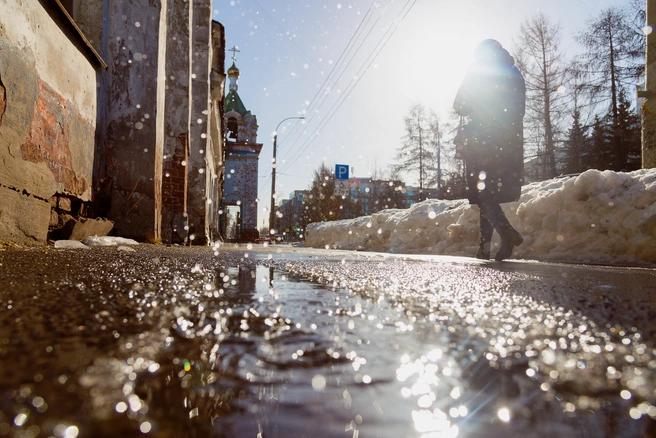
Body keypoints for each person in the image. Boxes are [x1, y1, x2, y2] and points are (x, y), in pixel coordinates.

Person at [453, 39, 525, 261]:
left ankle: (506, 234)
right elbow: (519, 110)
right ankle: (483, 248)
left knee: (482, 192)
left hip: (482, 141)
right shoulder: (514, 73)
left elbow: (459, 105)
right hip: (507, 143)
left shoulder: (478, 72)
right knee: (488, 193)